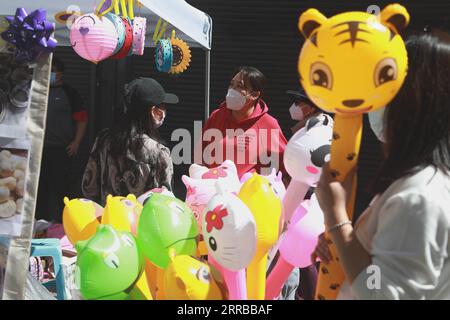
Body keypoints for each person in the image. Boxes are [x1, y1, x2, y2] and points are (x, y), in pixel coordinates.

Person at [312, 30, 450, 299]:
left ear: (414, 102)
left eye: (386, 87)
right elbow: (374, 272)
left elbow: (382, 294)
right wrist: (343, 243)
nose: (374, 101)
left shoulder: (419, 197)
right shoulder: (419, 185)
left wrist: (336, 218)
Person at [82, 77, 177, 205]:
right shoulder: (159, 152)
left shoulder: (103, 139)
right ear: (153, 111)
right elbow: (166, 202)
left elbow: (89, 189)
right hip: (142, 224)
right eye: (162, 106)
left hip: (107, 221)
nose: (164, 110)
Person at [198, 66, 288, 179]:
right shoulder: (217, 116)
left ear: (254, 95)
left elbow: (286, 165)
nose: (232, 90)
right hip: (212, 189)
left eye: (239, 86)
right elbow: (199, 155)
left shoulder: (268, 124)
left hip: (246, 192)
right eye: (231, 84)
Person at [36, 56, 88, 222]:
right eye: (48, 70)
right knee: (39, 192)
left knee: (62, 191)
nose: (50, 74)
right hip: (39, 150)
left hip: (62, 149)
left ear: (60, 74)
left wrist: (76, 143)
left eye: (53, 71)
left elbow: (82, 119)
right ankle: (39, 226)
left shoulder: (69, 92)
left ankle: (65, 226)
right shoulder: (37, 89)